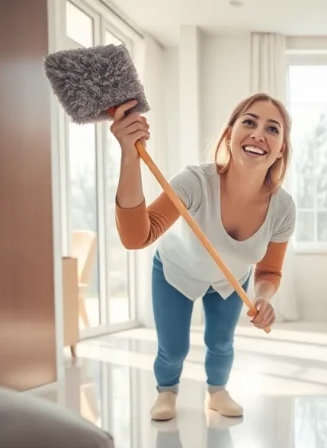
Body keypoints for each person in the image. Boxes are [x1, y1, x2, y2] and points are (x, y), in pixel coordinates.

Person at [111, 93, 296, 422]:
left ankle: (217, 393)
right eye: (249, 122)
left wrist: (264, 298)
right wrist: (129, 156)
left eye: (272, 129)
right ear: (230, 134)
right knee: (174, 348)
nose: (258, 134)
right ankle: (166, 392)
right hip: (176, 272)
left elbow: (269, 271)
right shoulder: (195, 183)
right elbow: (136, 236)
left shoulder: (283, 208)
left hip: (229, 280)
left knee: (221, 343)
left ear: (281, 148)